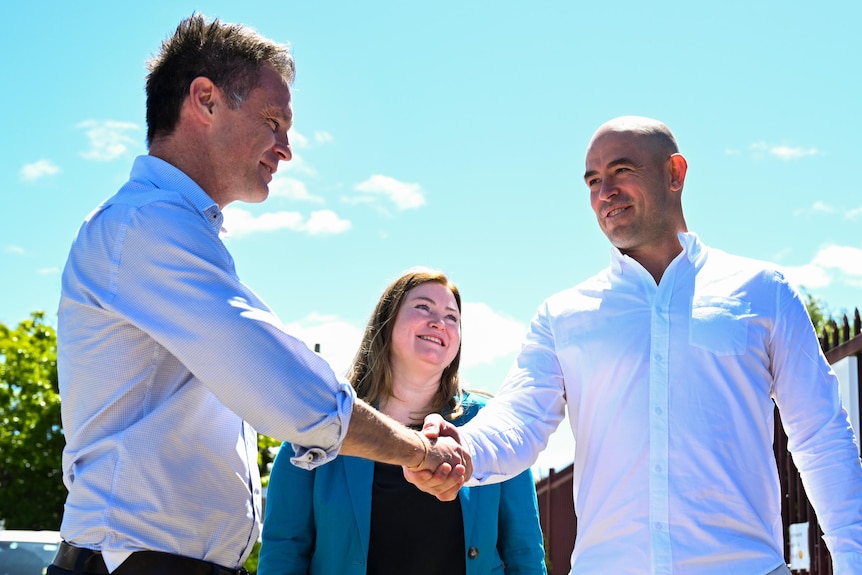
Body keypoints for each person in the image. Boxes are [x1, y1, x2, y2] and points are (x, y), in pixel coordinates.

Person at [52, 14, 467, 575]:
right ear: (205, 100)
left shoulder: (171, 233)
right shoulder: (144, 226)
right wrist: (418, 452)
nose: (286, 147)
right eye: (273, 121)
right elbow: (278, 381)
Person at [410, 116, 862, 574]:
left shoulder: (763, 291)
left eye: (622, 171)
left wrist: (853, 561)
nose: (604, 192)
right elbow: (519, 420)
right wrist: (462, 446)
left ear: (675, 174)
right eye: (593, 181)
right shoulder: (563, 315)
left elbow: (821, 434)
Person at [258, 268, 547, 575]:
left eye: (452, 316)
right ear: (387, 323)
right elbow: (284, 548)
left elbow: (524, 552)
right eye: (423, 307)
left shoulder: (491, 423)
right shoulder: (325, 419)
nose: (439, 321)